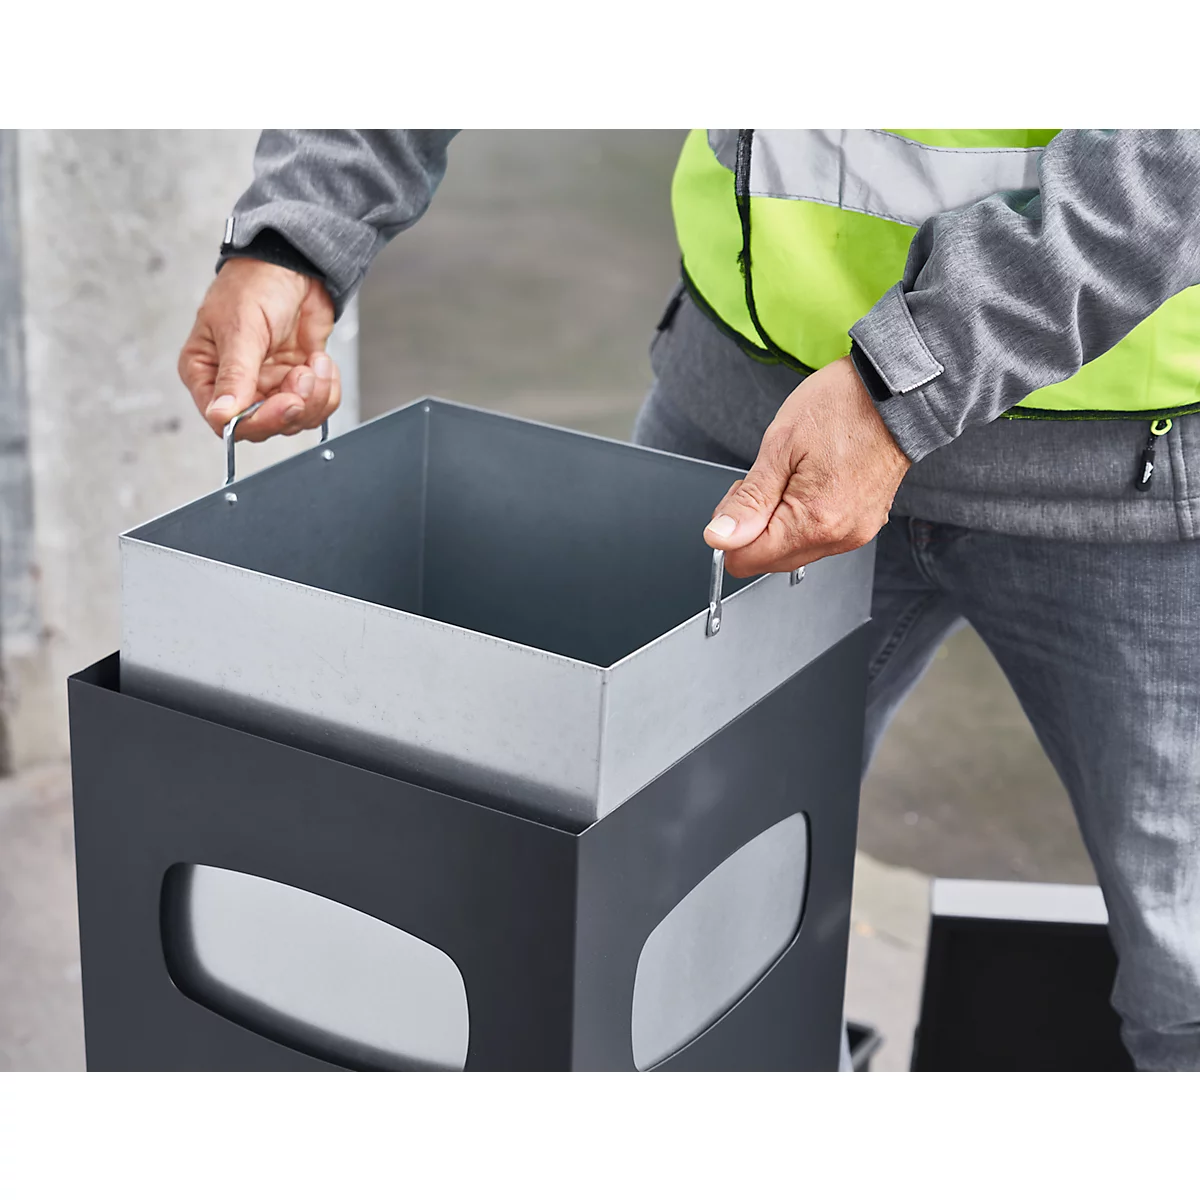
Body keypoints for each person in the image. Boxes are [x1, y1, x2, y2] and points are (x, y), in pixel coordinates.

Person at [180, 129, 1200, 1071]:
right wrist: (297, 231)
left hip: (1126, 468)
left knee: (1186, 972)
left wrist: (911, 379)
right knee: (644, 919)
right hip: (755, 421)